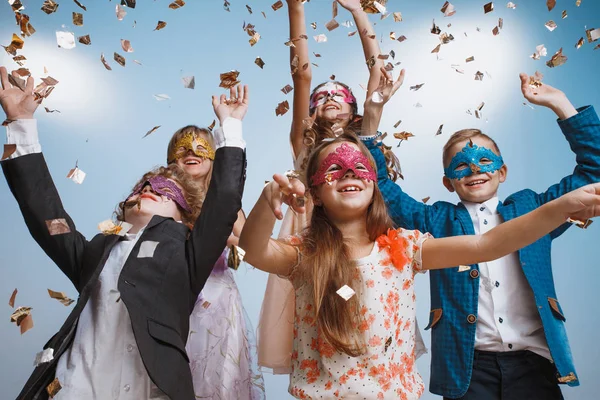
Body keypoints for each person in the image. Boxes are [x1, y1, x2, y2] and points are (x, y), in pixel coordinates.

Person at [239, 133, 600, 399]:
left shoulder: (406, 248)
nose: (348, 172)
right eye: (334, 170)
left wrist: (560, 207)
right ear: (315, 192)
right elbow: (254, 251)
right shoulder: (304, 254)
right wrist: (266, 201)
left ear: (375, 185)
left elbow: (488, 244)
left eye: (359, 166)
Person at [0, 66, 246, 400]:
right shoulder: (94, 254)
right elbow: (47, 216)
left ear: (184, 216)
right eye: (141, 188)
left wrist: (230, 128)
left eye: (164, 191)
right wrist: (20, 125)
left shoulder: (189, 256)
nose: (149, 190)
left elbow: (222, 206)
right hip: (73, 388)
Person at [360, 71, 600, 399]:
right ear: (448, 182)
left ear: (502, 172)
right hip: (467, 368)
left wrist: (560, 104)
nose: (475, 170)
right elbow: (381, 187)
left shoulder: (536, 210)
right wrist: (372, 118)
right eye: (461, 165)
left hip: (535, 365)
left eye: (485, 161)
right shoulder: (436, 219)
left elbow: (593, 171)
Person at [258, 0, 402, 373]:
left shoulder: (364, 141)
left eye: (340, 94)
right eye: (322, 97)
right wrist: (296, 9)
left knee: (364, 309)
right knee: (317, 315)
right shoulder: (304, 144)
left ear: (355, 109)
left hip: (356, 232)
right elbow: (301, 76)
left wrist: (358, 11)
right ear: (311, 110)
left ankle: (367, 378)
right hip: (310, 233)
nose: (330, 97)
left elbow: (378, 74)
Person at [165, 85, 265, 399]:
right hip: (173, 296)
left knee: (218, 380)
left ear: (214, 155)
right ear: (172, 158)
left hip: (218, 299)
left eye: (199, 147)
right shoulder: (161, 198)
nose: (191, 153)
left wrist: (221, 235)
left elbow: (244, 254)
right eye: (183, 149)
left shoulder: (226, 203)